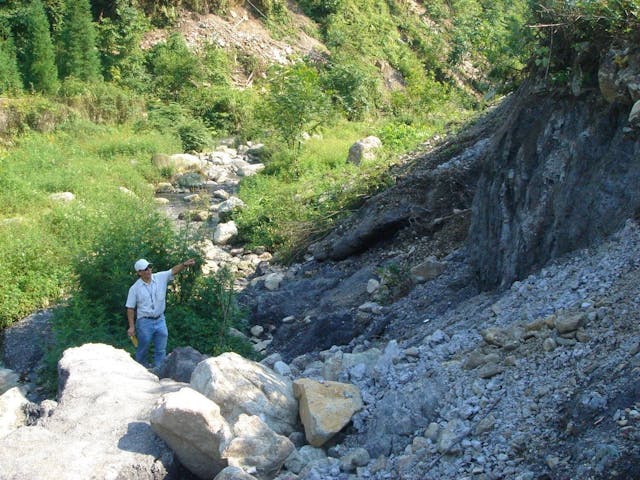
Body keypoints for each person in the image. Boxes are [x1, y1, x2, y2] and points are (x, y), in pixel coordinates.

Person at [125, 257, 195, 369]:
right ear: (139, 272)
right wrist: (132, 327)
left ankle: (159, 371)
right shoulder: (135, 288)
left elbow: (173, 271)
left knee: (161, 348)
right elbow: (130, 308)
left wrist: (184, 265)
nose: (149, 270)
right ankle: (141, 370)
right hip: (144, 321)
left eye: (149, 267)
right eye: (145, 269)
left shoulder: (160, 277)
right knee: (143, 347)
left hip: (160, 319)